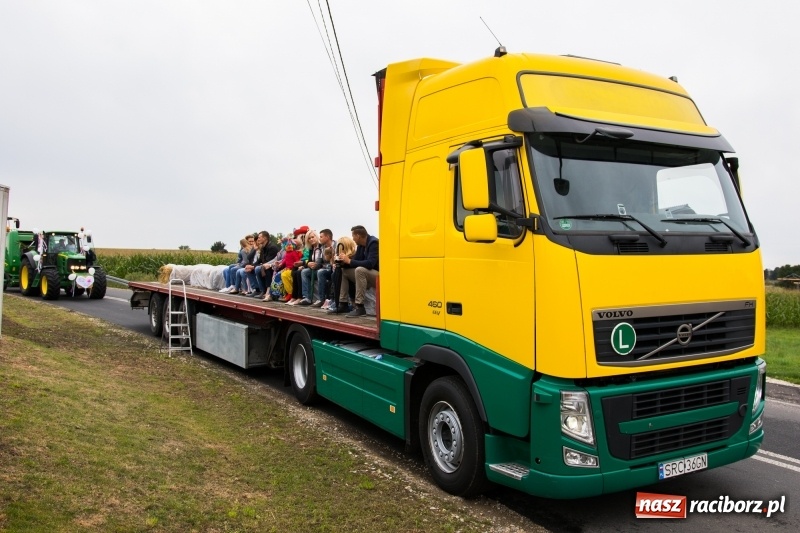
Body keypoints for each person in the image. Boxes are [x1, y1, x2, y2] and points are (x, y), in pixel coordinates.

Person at [329, 225, 378, 317]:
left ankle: (360, 307)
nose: (353, 239)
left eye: (353, 236)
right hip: (366, 273)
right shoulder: (361, 246)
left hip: (378, 275)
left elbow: (371, 263)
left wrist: (350, 261)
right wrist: (342, 262)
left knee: (360, 270)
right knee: (343, 271)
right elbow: (356, 262)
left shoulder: (373, 242)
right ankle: (343, 304)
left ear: (358, 235)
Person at [246, 231, 280, 297]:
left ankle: (263, 290)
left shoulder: (272, 247)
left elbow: (268, 262)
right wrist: (251, 266)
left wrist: (254, 267)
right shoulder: (263, 248)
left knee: (258, 269)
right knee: (248, 269)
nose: (258, 239)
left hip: (271, 267)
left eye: (259, 237)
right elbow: (259, 260)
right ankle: (256, 289)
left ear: (264, 238)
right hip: (264, 266)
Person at [310, 229, 336, 308]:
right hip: (326, 269)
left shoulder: (337, 245)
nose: (319, 238)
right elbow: (319, 261)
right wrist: (313, 264)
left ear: (327, 237)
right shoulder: (322, 247)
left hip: (335, 268)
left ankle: (330, 299)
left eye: (321, 237)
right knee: (305, 272)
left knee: (321, 272)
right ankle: (320, 299)